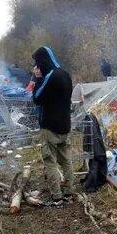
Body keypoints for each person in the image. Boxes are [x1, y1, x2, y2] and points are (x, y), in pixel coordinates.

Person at [32, 46, 74, 205]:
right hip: (65, 125)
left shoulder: (50, 76)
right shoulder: (64, 74)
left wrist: (37, 79)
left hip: (50, 126)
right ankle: (69, 191)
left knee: (50, 161)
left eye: (37, 63)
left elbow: (37, 97)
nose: (36, 67)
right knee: (66, 161)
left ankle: (56, 196)